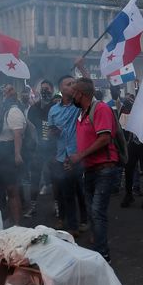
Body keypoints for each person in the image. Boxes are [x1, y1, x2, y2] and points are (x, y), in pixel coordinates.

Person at [67, 77, 120, 263]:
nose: (71, 96)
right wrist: (75, 159)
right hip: (89, 170)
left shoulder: (101, 109)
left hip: (104, 169)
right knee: (92, 212)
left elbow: (104, 138)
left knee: (97, 212)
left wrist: (79, 156)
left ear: (81, 94)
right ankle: (98, 246)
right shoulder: (82, 113)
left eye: (74, 93)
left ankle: (103, 256)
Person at [48, 75, 88, 237]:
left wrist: (82, 68)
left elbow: (88, 91)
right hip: (61, 156)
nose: (73, 86)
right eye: (69, 84)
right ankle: (72, 225)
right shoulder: (53, 110)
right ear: (61, 89)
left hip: (77, 155)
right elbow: (50, 133)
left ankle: (85, 220)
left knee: (82, 191)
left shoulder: (79, 106)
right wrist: (54, 132)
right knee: (66, 192)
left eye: (74, 83)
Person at [0, 84, 27, 225]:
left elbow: (17, 134)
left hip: (8, 150)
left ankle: (17, 224)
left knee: (12, 189)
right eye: (4, 89)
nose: (6, 92)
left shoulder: (14, 111)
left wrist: (17, 154)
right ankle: (2, 223)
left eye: (9, 89)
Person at [24, 79, 56, 218]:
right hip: (38, 149)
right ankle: (33, 206)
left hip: (54, 149)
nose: (44, 91)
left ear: (52, 91)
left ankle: (58, 206)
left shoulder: (56, 107)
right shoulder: (34, 108)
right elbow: (30, 127)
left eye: (47, 89)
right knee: (35, 179)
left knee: (56, 178)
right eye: (42, 88)